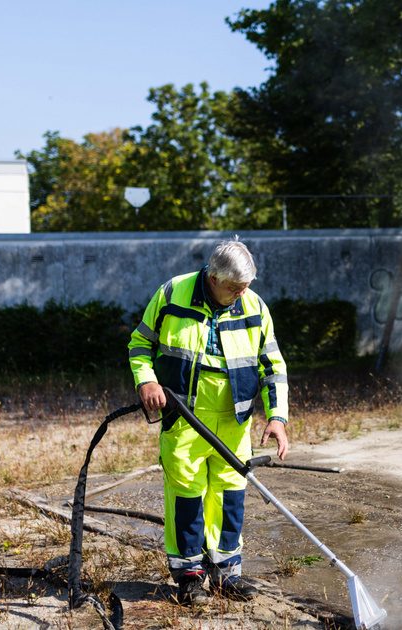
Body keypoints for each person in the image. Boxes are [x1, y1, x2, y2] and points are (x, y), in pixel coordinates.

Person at [127, 238, 289, 605]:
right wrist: (147, 380)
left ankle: (227, 574)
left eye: (246, 286)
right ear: (212, 277)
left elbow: (272, 365)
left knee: (230, 493)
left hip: (235, 419)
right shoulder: (172, 294)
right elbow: (139, 344)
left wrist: (277, 418)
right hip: (184, 417)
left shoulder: (254, 305)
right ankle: (188, 577)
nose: (241, 293)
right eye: (234, 287)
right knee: (186, 493)